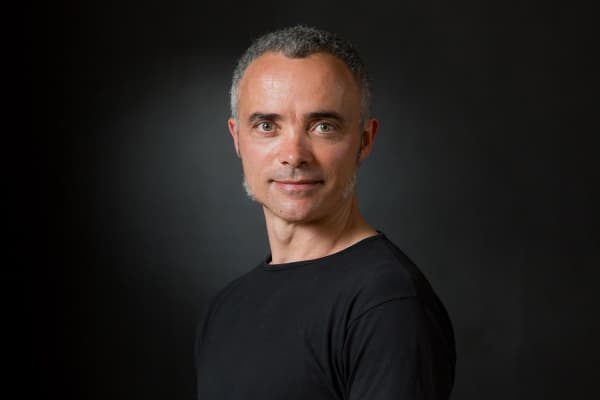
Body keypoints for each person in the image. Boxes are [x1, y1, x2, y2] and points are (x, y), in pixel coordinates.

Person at [195, 26, 456, 399]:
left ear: (364, 140)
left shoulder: (387, 304)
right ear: (237, 138)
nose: (294, 155)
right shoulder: (225, 310)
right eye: (267, 126)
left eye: (323, 126)